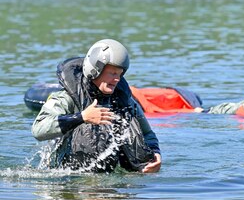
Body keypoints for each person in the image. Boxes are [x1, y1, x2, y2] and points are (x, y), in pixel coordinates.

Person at [32, 39, 161, 173]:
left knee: (130, 122)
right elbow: (38, 130)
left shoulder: (124, 101)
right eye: (112, 73)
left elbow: (147, 133)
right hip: (70, 172)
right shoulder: (67, 97)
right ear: (95, 70)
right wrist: (82, 117)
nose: (117, 79)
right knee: (85, 127)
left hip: (110, 173)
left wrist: (155, 153)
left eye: (119, 74)